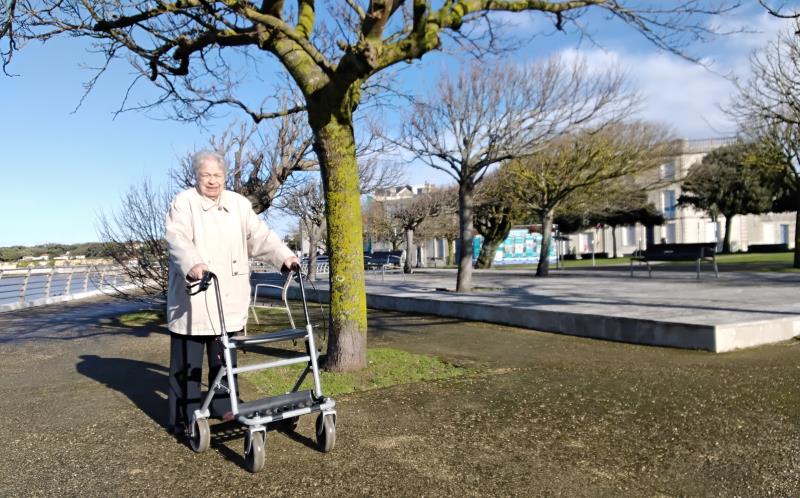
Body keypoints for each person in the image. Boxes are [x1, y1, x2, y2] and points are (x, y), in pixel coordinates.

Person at [164, 150, 299, 435]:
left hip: (228, 295)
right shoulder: (185, 202)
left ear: (225, 176)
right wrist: (192, 263)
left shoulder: (238, 204)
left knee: (224, 359)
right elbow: (177, 238)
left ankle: (224, 407)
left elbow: (261, 236)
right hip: (194, 297)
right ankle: (184, 418)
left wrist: (284, 256)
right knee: (187, 365)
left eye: (217, 175)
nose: (212, 181)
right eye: (206, 175)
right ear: (196, 176)